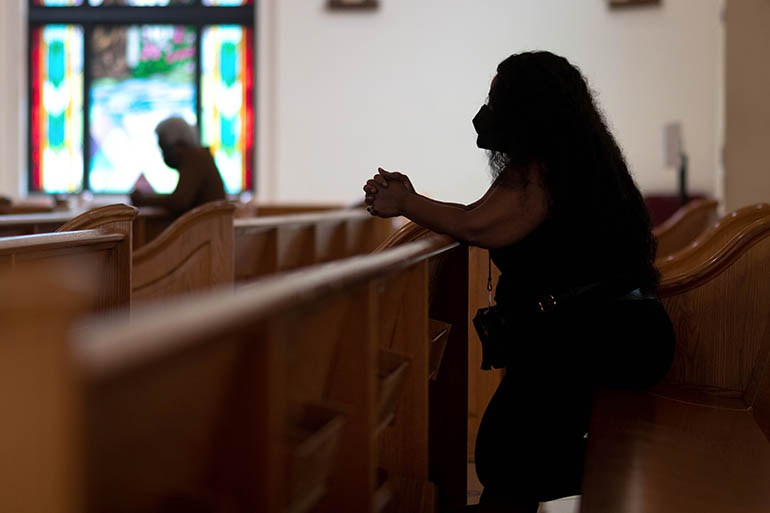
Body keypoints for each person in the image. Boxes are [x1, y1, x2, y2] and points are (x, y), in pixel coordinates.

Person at [363, 51, 674, 512]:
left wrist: (406, 201)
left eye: (494, 100)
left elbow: (479, 226)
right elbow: (479, 216)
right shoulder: (564, 157)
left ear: (526, 108)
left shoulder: (548, 166)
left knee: (504, 460)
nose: (485, 113)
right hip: (592, 333)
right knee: (506, 466)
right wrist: (410, 197)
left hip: (606, 339)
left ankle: (649, 464)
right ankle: (636, 463)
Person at [130, 116, 226, 217]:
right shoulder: (199, 156)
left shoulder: (194, 158)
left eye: (165, 149)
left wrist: (144, 199)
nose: (165, 157)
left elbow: (179, 202)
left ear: (178, 144)